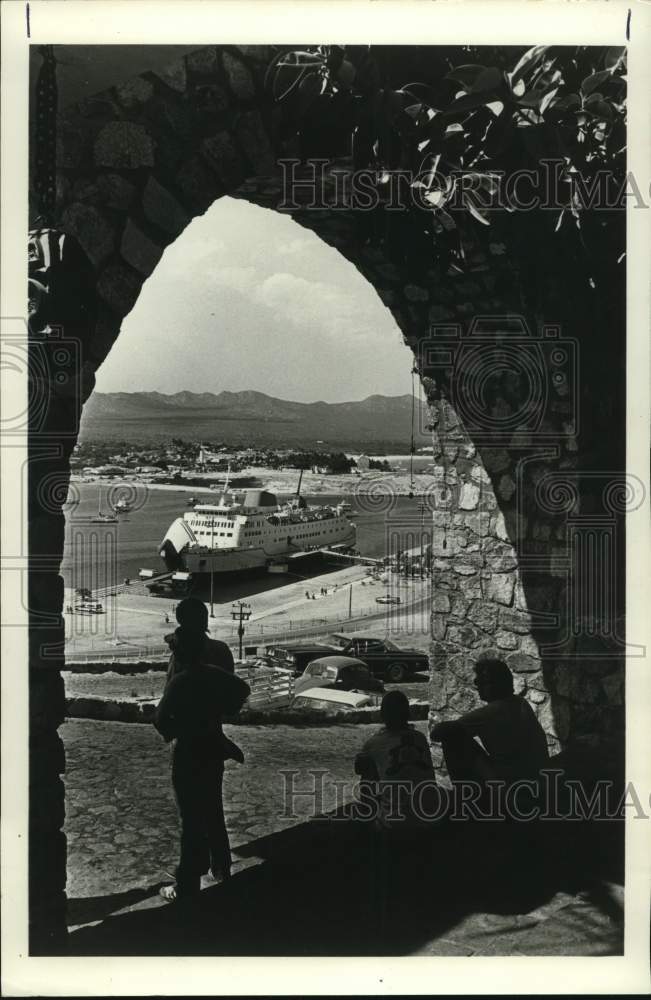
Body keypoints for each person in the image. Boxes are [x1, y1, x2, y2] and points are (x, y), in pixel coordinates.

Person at [155, 597, 250, 902]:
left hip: (189, 745)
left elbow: (163, 716)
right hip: (214, 738)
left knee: (190, 817)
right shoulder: (220, 652)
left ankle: (188, 882)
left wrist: (174, 729)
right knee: (213, 808)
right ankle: (221, 867)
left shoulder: (181, 661)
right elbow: (237, 693)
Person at [429, 658, 549, 789]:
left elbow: (436, 733)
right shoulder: (520, 703)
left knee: (452, 737)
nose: (477, 685)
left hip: (511, 785)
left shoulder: (489, 713)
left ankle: (466, 796)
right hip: (536, 779)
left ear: (496, 684)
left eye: (481, 681)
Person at [355, 690, 439, 830]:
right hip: (430, 817)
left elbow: (359, 769)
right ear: (408, 713)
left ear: (382, 715)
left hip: (396, 822)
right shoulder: (420, 738)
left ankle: (368, 820)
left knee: (367, 774)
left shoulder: (374, 743)